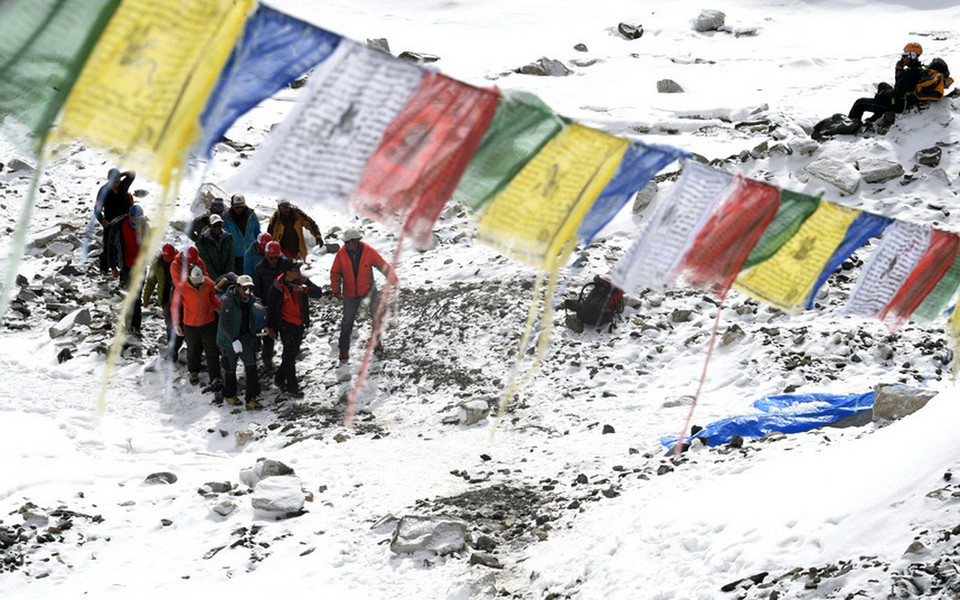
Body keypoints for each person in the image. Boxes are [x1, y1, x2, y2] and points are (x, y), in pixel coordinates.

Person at [330, 228, 395, 362]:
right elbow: (335, 272)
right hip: (350, 294)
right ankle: (344, 350)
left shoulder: (368, 251)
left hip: (369, 291)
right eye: (345, 242)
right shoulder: (341, 254)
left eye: (348, 242)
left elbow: (381, 264)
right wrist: (336, 290)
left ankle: (377, 342)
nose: (346, 245)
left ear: (355, 241)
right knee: (347, 322)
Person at [267, 260, 324, 397]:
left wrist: (305, 289)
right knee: (289, 354)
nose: (297, 272)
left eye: (298, 269)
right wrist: (271, 328)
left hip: (299, 322)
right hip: (285, 324)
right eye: (294, 270)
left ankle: (279, 378)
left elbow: (319, 293)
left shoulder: (303, 281)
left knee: (292, 353)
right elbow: (271, 309)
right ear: (287, 272)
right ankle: (292, 387)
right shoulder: (277, 287)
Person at [848, 42, 926, 124]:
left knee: (859, 103)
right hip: (904, 99)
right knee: (882, 85)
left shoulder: (910, 73)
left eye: (905, 54)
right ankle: (877, 116)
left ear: (912, 56)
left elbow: (898, 92)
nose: (902, 56)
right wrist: (899, 70)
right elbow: (901, 86)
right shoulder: (916, 69)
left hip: (899, 105)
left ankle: (851, 126)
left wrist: (883, 94)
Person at [172, 266, 222, 387]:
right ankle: (193, 371)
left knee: (212, 350)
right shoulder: (181, 287)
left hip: (209, 322)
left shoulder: (208, 283)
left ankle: (215, 377)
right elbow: (175, 305)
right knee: (193, 349)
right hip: (190, 324)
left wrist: (222, 311)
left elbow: (213, 299)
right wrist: (176, 323)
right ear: (189, 277)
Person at [217, 274, 262, 408]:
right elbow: (225, 323)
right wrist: (233, 339)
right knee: (230, 368)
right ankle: (230, 394)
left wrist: (255, 338)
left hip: (246, 337)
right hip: (229, 340)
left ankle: (251, 398)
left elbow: (252, 320)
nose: (248, 292)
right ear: (238, 288)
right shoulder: (228, 301)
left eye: (250, 289)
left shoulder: (250, 300)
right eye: (245, 289)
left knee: (251, 367)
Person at [104, 204, 148, 334]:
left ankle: (134, 324)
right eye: (137, 219)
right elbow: (110, 247)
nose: (139, 222)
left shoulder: (145, 226)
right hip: (127, 266)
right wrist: (113, 266)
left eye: (141, 219)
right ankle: (132, 324)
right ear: (130, 216)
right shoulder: (118, 227)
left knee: (137, 295)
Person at [142, 243, 181, 358]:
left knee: (181, 323)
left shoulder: (179, 261)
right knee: (170, 324)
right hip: (165, 299)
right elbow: (150, 282)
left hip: (180, 298)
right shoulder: (157, 265)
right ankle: (172, 349)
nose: (169, 260)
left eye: (171, 258)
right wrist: (146, 298)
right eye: (167, 258)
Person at [252, 241, 286, 373]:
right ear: (266, 256)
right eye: (271, 258)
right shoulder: (259, 269)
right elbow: (256, 291)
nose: (274, 261)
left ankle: (287, 360)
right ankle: (267, 361)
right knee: (268, 336)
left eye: (276, 258)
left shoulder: (284, 266)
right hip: (267, 306)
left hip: (284, 305)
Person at [94, 168, 135, 274]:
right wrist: (101, 219)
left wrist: (120, 175)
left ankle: (120, 266)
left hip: (123, 222)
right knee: (108, 245)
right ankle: (104, 268)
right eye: (113, 182)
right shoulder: (104, 191)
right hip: (110, 223)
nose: (115, 184)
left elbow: (132, 174)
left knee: (122, 244)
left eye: (117, 181)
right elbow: (97, 209)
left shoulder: (123, 186)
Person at [222, 193, 261, 275]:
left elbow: (257, 232)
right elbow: (225, 237)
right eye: (237, 207)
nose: (239, 209)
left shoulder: (252, 215)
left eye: (241, 207)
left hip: (252, 254)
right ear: (232, 206)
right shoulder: (226, 218)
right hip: (236, 256)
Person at [197, 213, 234, 280]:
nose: (218, 228)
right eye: (215, 225)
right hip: (211, 276)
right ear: (209, 226)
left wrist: (228, 275)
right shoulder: (202, 241)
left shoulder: (228, 238)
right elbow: (206, 261)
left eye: (219, 225)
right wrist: (214, 278)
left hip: (226, 274)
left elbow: (230, 257)